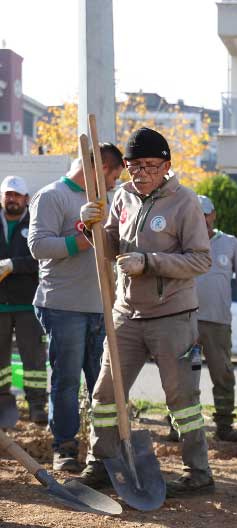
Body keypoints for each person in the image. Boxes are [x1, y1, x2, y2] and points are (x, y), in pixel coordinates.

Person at [77, 127, 213, 496]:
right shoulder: (122, 197)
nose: (142, 173)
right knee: (104, 394)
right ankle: (100, 461)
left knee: (181, 399)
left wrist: (149, 262)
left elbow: (201, 260)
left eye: (151, 166)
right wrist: (90, 227)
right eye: (134, 166)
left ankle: (198, 472)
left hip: (173, 315)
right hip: (126, 314)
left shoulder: (185, 202)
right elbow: (107, 248)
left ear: (167, 166)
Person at [29, 146, 124, 472]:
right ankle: (65, 447)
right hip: (63, 305)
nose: (114, 184)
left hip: (100, 306)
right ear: (99, 168)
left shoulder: (107, 202)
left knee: (102, 384)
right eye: (113, 175)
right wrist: (82, 236)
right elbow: (39, 247)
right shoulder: (52, 196)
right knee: (67, 381)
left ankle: (105, 449)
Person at [191, 194, 237, 441]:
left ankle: (224, 425)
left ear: (214, 215)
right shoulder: (180, 242)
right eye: (197, 214)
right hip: (185, 322)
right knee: (184, 375)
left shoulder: (230, 243)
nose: (202, 219)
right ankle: (180, 426)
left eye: (206, 214)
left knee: (223, 374)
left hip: (218, 324)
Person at [0, 176, 47, 426]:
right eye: (8, 194)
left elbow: (42, 258)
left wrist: (13, 265)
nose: (12, 199)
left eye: (17, 195)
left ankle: (37, 406)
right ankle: (2, 404)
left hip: (29, 304)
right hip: (0, 305)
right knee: (0, 362)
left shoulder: (35, 223)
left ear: (26, 199)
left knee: (35, 359)